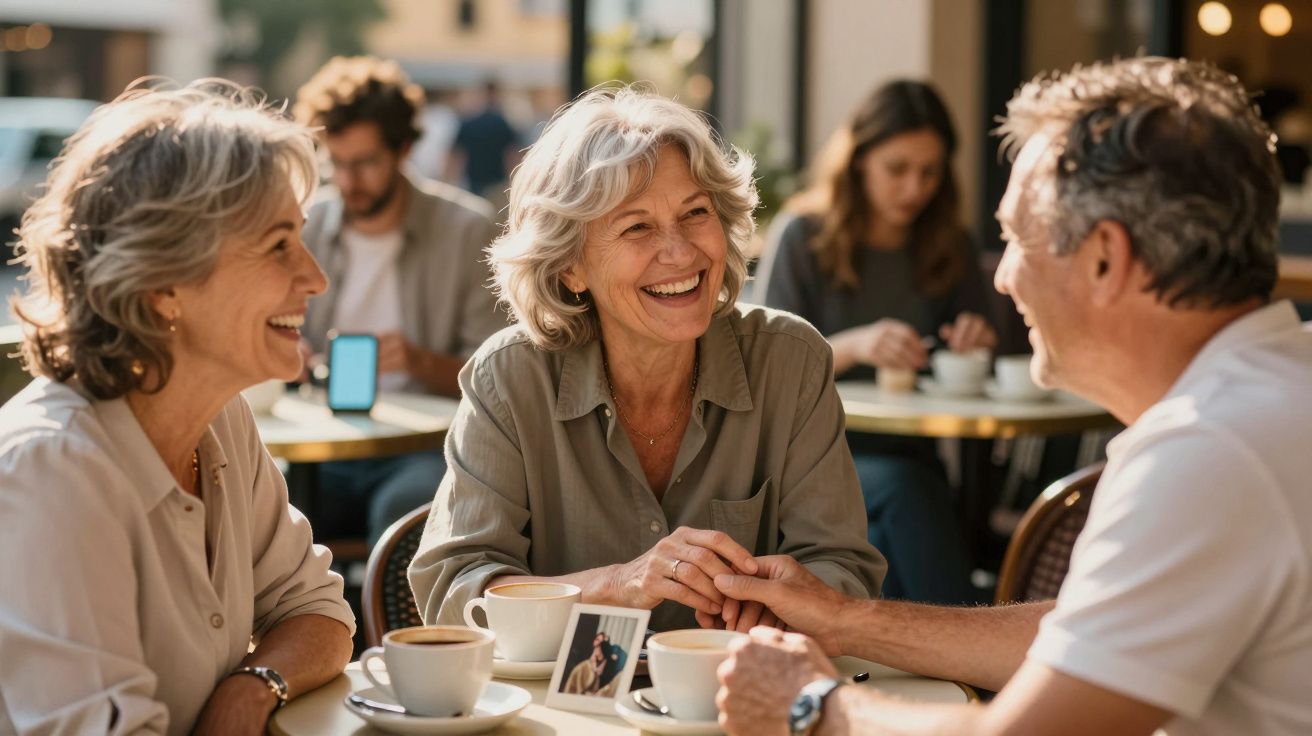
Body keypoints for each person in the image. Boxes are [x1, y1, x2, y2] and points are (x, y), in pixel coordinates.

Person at [713, 57, 1312, 735]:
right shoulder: (1263, 402)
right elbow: (1080, 638)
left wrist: (811, 705)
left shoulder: (1208, 452)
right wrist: (844, 619)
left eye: (1017, 239)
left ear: (1105, 259)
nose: (1002, 280)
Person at [408, 85, 885, 635]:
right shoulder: (509, 378)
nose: (681, 252)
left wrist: (778, 611)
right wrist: (618, 584)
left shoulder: (791, 361)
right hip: (563, 692)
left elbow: (842, 568)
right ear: (570, 267)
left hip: (740, 680)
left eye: (695, 213)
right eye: (637, 227)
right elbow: (455, 589)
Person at [0, 80, 355, 735]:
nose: (315, 277)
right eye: (278, 245)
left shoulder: (222, 417)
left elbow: (320, 613)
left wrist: (251, 689)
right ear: (164, 282)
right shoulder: (54, 471)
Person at [754, 80, 996, 604]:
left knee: (903, 515)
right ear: (859, 159)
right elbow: (766, 368)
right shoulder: (803, 236)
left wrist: (973, 342)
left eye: (930, 172)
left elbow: (979, 353)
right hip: (816, 459)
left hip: (918, 450)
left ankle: (918, 639)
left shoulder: (950, 245)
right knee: (909, 496)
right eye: (897, 168)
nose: (914, 188)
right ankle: (964, 633)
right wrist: (855, 346)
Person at [293, 57, 505, 546]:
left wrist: (417, 361)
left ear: (404, 149)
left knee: (404, 509)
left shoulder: (466, 230)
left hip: (426, 448)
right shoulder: (307, 225)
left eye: (365, 163)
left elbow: (498, 379)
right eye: (336, 164)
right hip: (319, 442)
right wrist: (286, 355)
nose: (348, 181)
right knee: (271, 502)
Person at [446, 80, 521, 214]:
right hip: (497, 185)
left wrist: (451, 184)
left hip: (473, 185)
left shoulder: (468, 123)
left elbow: (455, 156)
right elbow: (512, 156)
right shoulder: (503, 124)